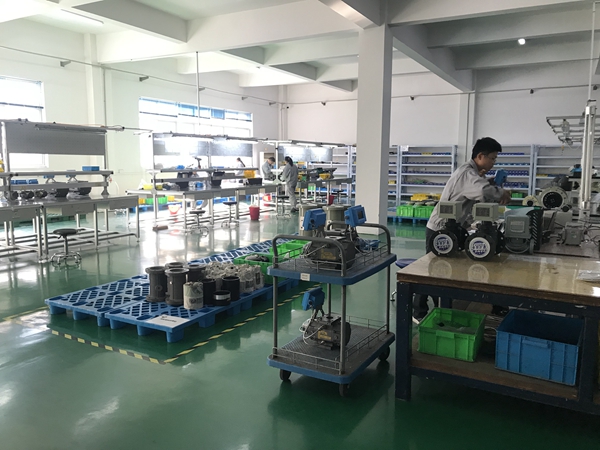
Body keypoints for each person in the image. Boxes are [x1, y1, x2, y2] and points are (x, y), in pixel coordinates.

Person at [413, 137, 512, 323]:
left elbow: (477, 188)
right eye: (492, 158)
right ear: (480, 156)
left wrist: (490, 182)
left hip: (454, 227)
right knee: (431, 272)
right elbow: (481, 191)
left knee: (442, 270)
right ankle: (418, 311)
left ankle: (442, 307)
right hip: (440, 229)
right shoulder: (467, 173)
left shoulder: (472, 174)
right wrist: (501, 193)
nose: (493, 162)